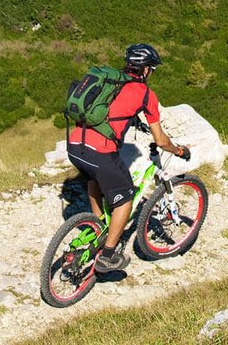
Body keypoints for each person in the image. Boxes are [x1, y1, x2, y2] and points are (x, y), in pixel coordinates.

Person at [66, 43, 188, 272]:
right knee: (125, 198)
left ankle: (97, 227)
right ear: (145, 70)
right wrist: (179, 150)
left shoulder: (111, 82)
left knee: (95, 179)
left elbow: (110, 111)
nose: (152, 73)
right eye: (152, 68)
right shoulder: (146, 95)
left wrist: (132, 120)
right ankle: (107, 256)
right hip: (99, 151)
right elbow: (161, 140)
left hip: (74, 145)